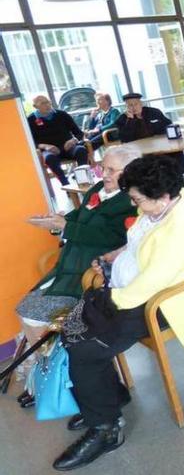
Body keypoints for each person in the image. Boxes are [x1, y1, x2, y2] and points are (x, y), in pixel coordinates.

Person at [51, 155, 184, 471]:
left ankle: (106, 430)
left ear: (164, 196)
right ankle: (107, 399)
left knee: (84, 347)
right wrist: (114, 257)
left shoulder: (181, 224)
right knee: (74, 327)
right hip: (135, 292)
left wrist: (110, 297)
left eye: (139, 200)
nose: (136, 206)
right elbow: (139, 240)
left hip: (166, 302)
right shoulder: (159, 207)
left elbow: (153, 282)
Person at [14, 145, 141, 408]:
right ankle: (49, 379)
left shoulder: (132, 199)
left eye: (110, 170)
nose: (103, 174)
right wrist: (55, 223)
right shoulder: (97, 191)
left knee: (35, 319)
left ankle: (57, 381)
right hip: (69, 265)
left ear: (129, 171)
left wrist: (68, 227)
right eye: (102, 167)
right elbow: (79, 217)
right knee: (24, 310)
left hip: (92, 273)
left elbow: (114, 238)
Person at [113, 92, 184, 188]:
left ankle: (180, 178)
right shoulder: (122, 119)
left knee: (177, 152)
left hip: (161, 146)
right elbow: (125, 139)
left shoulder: (154, 112)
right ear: (126, 107)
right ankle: (174, 182)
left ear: (141, 104)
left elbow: (168, 125)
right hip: (141, 152)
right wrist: (131, 121)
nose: (133, 107)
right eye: (130, 105)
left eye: (136, 104)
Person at [28, 95, 88, 186]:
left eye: (48, 102)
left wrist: (73, 140)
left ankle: (83, 181)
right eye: (43, 103)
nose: (47, 105)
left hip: (68, 148)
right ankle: (66, 185)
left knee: (81, 150)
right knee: (49, 158)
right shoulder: (31, 120)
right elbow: (31, 142)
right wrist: (45, 146)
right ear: (35, 106)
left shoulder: (62, 114)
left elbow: (79, 133)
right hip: (50, 151)